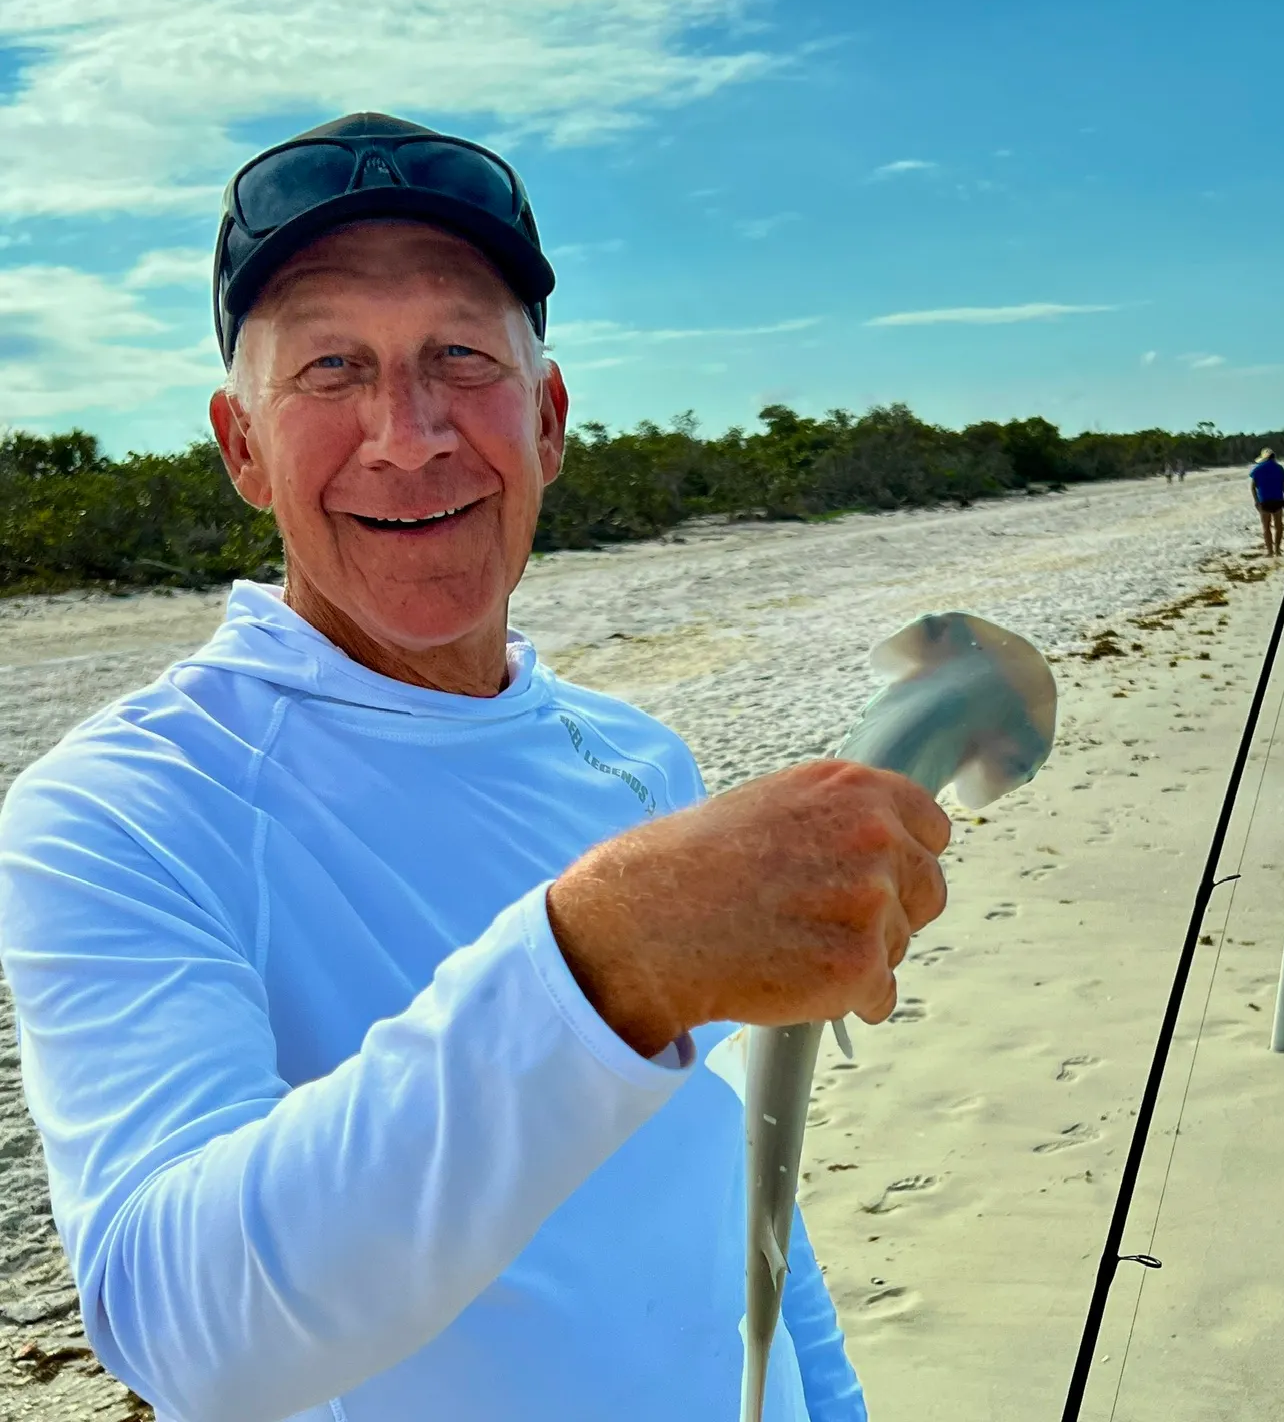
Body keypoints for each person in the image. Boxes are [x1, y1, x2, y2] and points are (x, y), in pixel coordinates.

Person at [0, 114, 952, 1422]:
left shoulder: (639, 761)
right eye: (332, 368)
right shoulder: (123, 812)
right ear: (242, 449)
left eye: (460, 353)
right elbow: (181, 1330)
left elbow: (731, 1188)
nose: (409, 431)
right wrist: (605, 962)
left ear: (548, 418)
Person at [1250, 446, 1284, 556]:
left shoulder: (1257, 469)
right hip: (1278, 500)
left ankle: (1270, 552)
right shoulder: (1279, 468)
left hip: (1264, 501)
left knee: (1266, 527)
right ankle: (1277, 550)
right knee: (1279, 526)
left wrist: (1256, 501)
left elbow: (1253, 487)